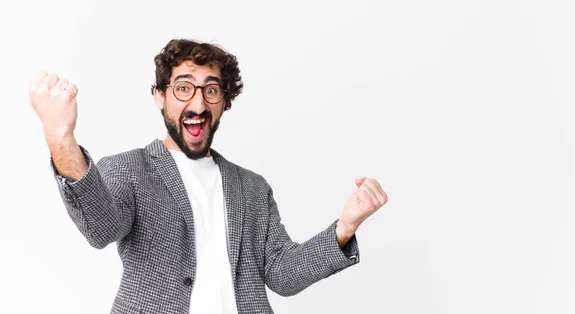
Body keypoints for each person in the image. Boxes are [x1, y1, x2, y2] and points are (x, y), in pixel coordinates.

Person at [29, 38, 389, 314]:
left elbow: (282, 273)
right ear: (159, 96)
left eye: (211, 90)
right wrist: (61, 138)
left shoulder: (252, 188)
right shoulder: (130, 168)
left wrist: (344, 227)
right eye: (184, 88)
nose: (198, 104)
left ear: (224, 103)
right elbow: (100, 228)